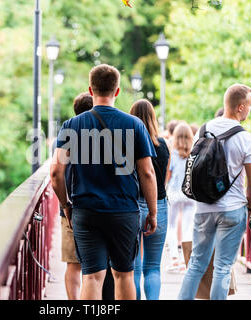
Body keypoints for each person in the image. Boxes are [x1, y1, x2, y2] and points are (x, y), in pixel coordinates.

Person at [50, 64, 158, 300]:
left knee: (92, 276)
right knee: (124, 275)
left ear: (91, 89)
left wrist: (66, 205)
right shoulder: (135, 125)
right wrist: (152, 212)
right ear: (117, 91)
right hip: (124, 211)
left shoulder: (71, 126)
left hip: (86, 211)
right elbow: (148, 173)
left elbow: (56, 173)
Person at [178, 83, 251, 300]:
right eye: (250, 105)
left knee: (196, 264)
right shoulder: (247, 139)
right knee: (222, 267)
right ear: (240, 107)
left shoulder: (202, 131)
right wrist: (249, 208)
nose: (250, 110)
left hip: (203, 208)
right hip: (232, 209)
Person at [130, 99, 170, 300]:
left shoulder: (128, 145)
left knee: (134, 268)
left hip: (132, 206)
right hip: (160, 205)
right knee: (153, 267)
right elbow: (164, 179)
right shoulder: (163, 145)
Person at [59, 92, 93, 300]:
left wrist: (65, 205)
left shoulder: (69, 131)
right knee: (95, 266)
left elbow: (57, 172)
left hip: (72, 205)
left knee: (73, 264)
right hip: (99, 205)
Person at [165, 121, 196, 272]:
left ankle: (174, 259)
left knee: (171, 226)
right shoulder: (194, 155)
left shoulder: (172, 154)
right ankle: (186, 260)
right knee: (187, 227)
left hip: (174, 193)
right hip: (190, 194)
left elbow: (168, 176)